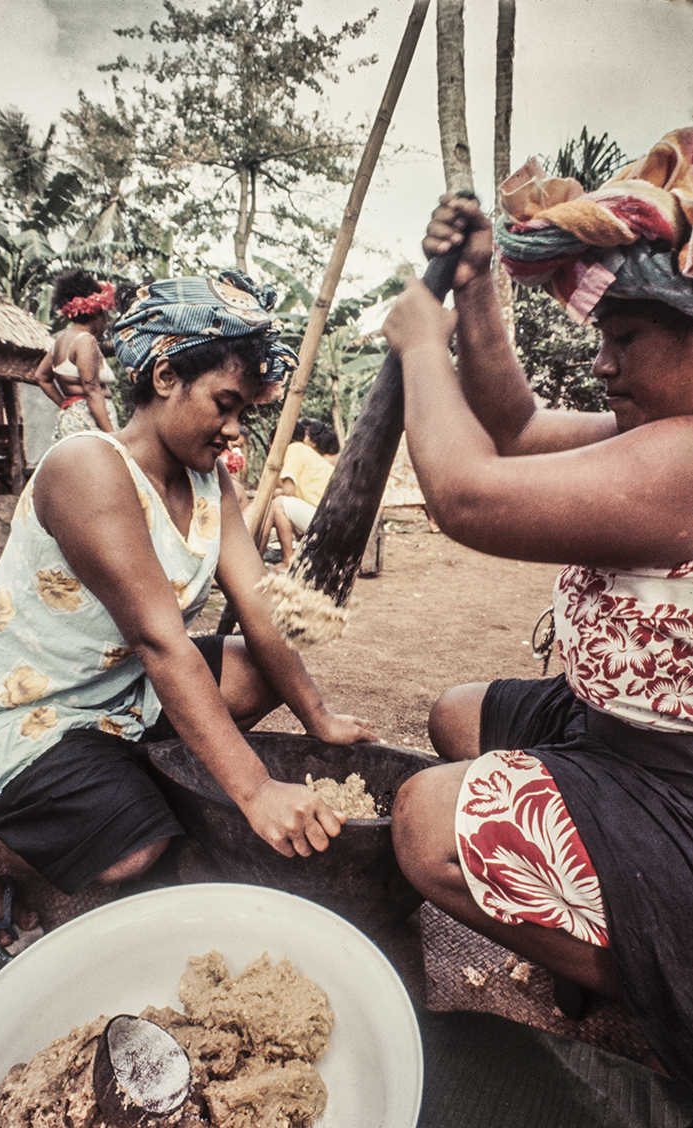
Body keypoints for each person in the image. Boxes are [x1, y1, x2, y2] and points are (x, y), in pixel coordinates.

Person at [382, 125, 693, 1084]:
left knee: (424, 821)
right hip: (615, 729)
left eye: (622, 338)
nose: (600, 366)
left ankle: (658, 977)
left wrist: (417, 345)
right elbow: (511, 429)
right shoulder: (654, 434)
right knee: (454, 715)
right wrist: (474, 291)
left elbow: (469, 493)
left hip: (674, 783)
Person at [0, 270, 374, 949]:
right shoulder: (87, 469)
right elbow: (159, 641)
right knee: (130, 853)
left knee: (248, 671)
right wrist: (255, 792)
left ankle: (112, 786)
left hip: (112, 695)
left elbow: (258, 608)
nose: (233, 430)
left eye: (244, 414)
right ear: (166, 376)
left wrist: (319, 717)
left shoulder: (209, 480)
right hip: (16, 712)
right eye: (223, 403)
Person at [33, 268, 118, 439]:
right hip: (90, 420)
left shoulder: (60, 341)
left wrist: (66, 404)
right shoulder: (86, 340)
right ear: (97, 313)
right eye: (105, 316)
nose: (106, 322)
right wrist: (113, 436)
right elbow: (92, 390)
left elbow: (41, 376)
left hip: (74, 418)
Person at [263, 419, 336, 570]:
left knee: (278, 504)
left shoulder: (295, 449)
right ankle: (258, 553)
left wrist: (269, 493)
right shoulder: (306, 453)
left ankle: (287, 560)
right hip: (330, 521)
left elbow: (288, 492)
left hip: (327, 523)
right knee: (280, 505)